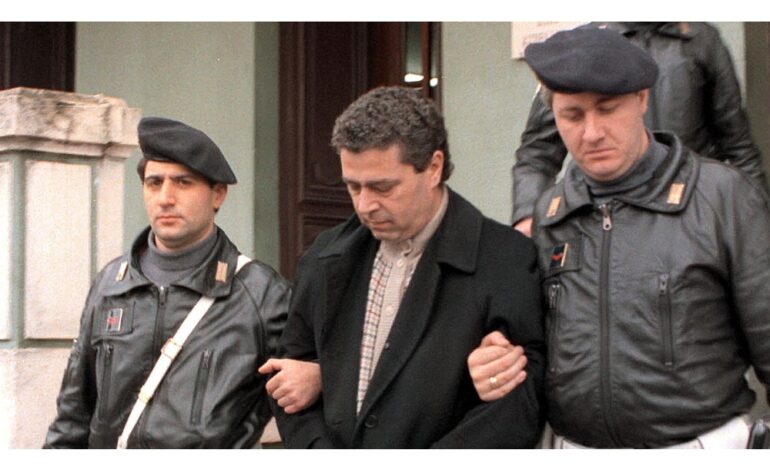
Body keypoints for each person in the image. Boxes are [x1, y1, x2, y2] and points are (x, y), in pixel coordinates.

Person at [469, 27, 770, 448]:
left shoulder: (723, 198)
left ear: (642, 100)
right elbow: (531, 348)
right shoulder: (551, 215)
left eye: (607, 110)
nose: (591, 133)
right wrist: (494, 362)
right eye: (572, 116)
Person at [268, 86, 545, 448]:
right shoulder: (325, 256)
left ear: (433, 168)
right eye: (353, 187)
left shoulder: (505, 259)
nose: (365, 205)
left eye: (382, 188)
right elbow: (288, 378)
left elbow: (516, 409)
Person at [44, 117, 292, 448]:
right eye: (154, 183)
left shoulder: (261, 293)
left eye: (183, 183)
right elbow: (73, 414)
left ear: (218, 194)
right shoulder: (111, 285)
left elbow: (306, 405)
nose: (165, 198)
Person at [512, 22, 768, 237]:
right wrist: (528, 216)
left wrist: (758, 220)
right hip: (601, 218)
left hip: (690, 212)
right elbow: (538, 152)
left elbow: (739, 147)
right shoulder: (579, 52)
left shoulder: (700, 40)